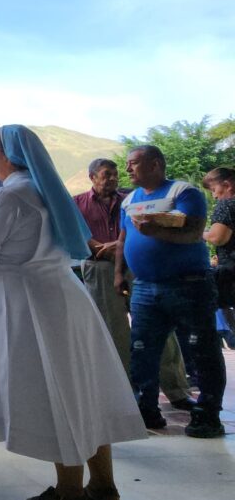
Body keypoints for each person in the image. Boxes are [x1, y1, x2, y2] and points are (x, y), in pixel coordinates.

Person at [0, 126, 145, 500]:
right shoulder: (48, 191)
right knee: (85, 387)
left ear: (5, 155)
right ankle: (104, 488)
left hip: (28, 304)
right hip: (66, 295)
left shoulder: (7, 196)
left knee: (55, 391)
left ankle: (69, 494)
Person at [116, 145, 228, 438]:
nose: (128, 169)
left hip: (188, 284)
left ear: (155, 164)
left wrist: (156, 232)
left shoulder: (183, 193)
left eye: (134, 164)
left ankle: (207, 415)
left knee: (201, 349)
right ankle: (146, 409)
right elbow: (123, 238)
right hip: (143, 287)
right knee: (142, 350)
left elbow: (193, 233)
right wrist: (119, 273)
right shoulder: (129, 200)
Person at [74, 158, 194, 410]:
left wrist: (118, 246)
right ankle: (129, 392)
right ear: (92, 177)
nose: (113, 179)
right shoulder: (77, 203)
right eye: (106, 174)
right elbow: (76, 234)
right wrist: (101, 248)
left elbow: (137, 230)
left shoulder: (131, 199)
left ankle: (177, 390)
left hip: (135, 265)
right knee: (114, 329)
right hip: (99, 268)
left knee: (160, 329)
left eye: (115, 174)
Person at [203, 166, 235, 312]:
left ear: (227, 185)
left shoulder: (226, 204)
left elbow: (217, 238)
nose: (214, 196)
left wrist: (198, 233)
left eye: (214, 190)